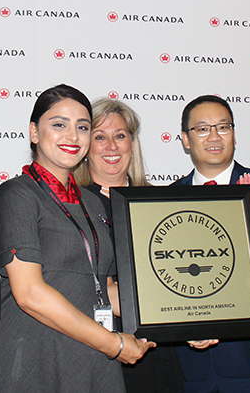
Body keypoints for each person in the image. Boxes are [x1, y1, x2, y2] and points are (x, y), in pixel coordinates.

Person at [0, 84, 155, 393]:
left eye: (82, 127)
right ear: (34, 133)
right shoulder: (16, 195)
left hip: (93, 360)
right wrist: (113, 344)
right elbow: (29, 293)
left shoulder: (90, 202)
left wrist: (175, 319)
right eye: (59, 125)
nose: (72, 136)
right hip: (37, 358)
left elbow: (105, 286)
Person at [74, 97, 186, 393]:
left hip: (157, 353)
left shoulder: (160, 203)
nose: (112, 146)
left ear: (132, 144)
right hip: (97, 351)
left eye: (120, 136)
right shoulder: (71, 208)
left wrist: (195, 324)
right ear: (86, 147)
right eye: (100, 137)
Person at [171, 95, 250, 393]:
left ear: (235, 134)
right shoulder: (167, 198)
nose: (214, 136)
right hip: (190, 368)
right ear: (186, 140)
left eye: (223, 127)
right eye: (202, 129)